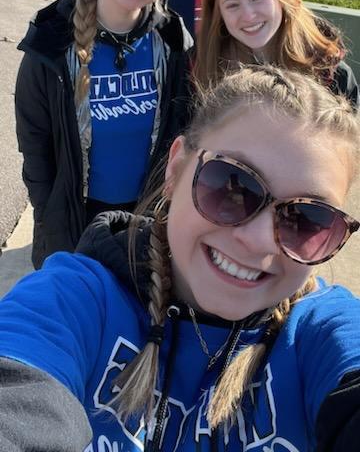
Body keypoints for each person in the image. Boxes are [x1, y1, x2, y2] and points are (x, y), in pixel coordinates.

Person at [1, 64, 360, 452]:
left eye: (307, 219)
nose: (258, 242)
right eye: (231, 184)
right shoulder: (74, 300)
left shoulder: (322, 333)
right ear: (176, 168)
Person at [15, 0, 193, 269]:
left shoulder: (173, 43)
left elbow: (185, 127)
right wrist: (48, 210)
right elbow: (34, 138)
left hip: (144, 221)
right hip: (73, 220)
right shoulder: (52, 41)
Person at [194, 0, 359, 108]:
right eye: (232, 5)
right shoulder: (200, 72)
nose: (248, 15)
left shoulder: (334, 77)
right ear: (219, 14)